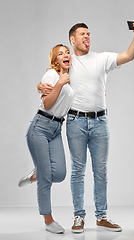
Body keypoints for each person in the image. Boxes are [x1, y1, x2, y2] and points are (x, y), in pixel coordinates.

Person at [23, 20, 134, 233]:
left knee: (101, 171)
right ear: (72, 39)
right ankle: (79, 217)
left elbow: (129, 55)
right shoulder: (67, 64)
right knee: (77, 171)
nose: (87, 37)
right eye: (82, 34)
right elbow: (51, 77)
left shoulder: (101, 58)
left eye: (89, 33)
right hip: (75, 122)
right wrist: (38, 86)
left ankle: (102, 216)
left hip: (100, 122)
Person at [18, 44, 74, 234]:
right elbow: (48, 105)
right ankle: (48, 220)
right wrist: (59, 83)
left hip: (56, 128)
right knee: (46, 179)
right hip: (40, 127)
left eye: (67, 52)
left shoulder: (70, 79)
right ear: (55, 60)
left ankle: (35, 174)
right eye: (60, 53)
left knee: (59, 174)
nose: (65, 55)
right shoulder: (51, 75)